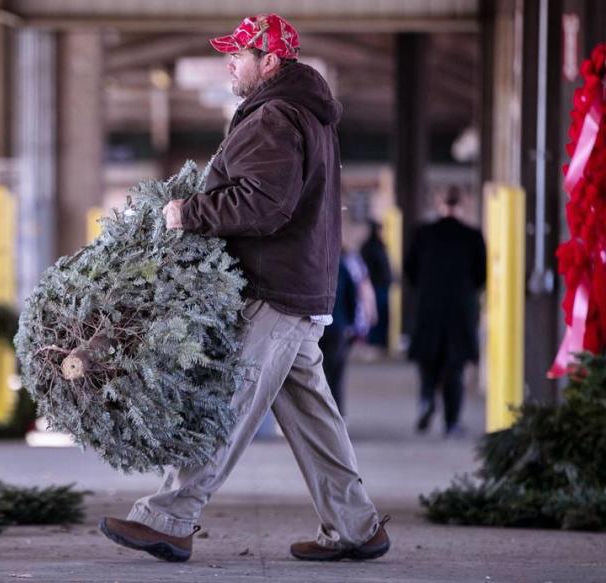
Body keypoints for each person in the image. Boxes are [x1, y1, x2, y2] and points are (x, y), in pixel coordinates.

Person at [99, 14, 390, 563]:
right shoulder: (306, 114)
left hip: (274, 288)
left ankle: (169, 517)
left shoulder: (275, 115)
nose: (228, 62)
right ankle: (356, 527)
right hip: (297, 285)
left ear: (270, 63)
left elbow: (263, 202)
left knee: (226, 403)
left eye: (239, 54)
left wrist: (187, 212)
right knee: (314, 417)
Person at [404, 186, 486, 436]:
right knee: (455, 367)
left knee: (428, 362)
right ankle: (452, 422)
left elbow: (409, 270)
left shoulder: (423, 234)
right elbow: (481, 275)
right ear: (462, 206)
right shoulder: (472, 235)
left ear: (440, 205)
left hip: (429, 307)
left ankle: (427, 400)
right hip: (459, 311)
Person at [319, 252, 358, 416]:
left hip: (319, 326)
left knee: (319, 372)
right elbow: (352, 297)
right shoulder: (341, 266)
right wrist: (351, 323)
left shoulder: (314, 265)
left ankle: (325, 411)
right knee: (335, 373)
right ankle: (337, 412)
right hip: (337, 326)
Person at [360, 221, 393, 348]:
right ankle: (374, 342)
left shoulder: (380, 246)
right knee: (374, 315)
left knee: (384, 314)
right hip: (375, 286)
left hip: (383, 286)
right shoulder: (370, 247)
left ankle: (382, 342)